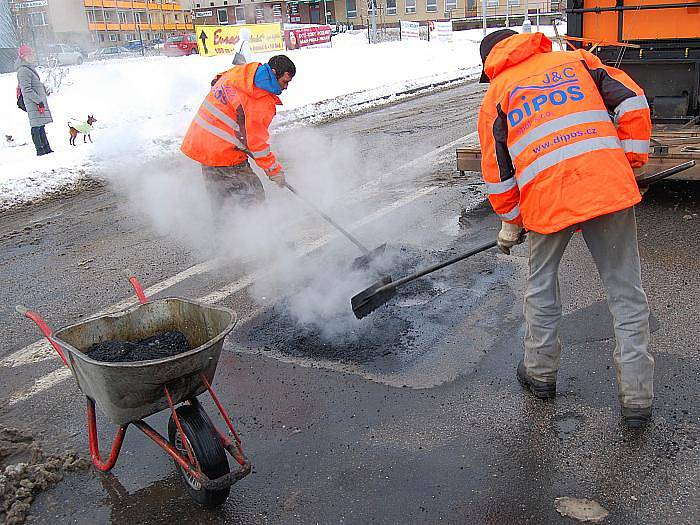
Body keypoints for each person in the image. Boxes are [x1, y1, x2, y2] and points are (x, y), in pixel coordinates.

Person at [477, 30, 654, 428]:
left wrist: (511, 222)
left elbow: (499, 174)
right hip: (606, 186)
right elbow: (633, 100)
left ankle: (540, 375)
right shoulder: (577, 62)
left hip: (546, 198)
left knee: (541, 286)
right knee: (626, 292)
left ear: (492, 64)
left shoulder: (497, 95)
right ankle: (638, 397)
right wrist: (628, 160)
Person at [181, 55, 295, 207]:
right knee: (254, 197)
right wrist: (274, 171)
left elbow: (216, 80)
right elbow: (256, 144)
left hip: (201, 144)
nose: (285, 87)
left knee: (220, 201)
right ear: (273, 73)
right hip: (224, 153)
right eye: (284, 82)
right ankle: (257, 228)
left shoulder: (242, 73)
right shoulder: (261, 103)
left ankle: (223, 228)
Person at [16, 45, 53, 156]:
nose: (31, 57)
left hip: (37, 101)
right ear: (23, 56)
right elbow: (26, 89)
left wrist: (44, 89)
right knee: (36, 126)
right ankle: (40, 150)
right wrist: (38, 100)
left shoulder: (28, 68)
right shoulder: (23, 70)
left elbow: (35, 84)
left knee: (40, 125)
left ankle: (46, 148)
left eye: (31, 54)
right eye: (29, 55)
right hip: (33, 102)